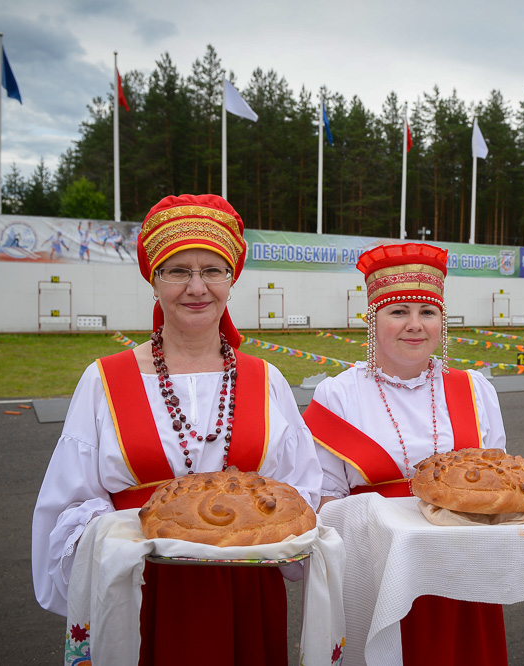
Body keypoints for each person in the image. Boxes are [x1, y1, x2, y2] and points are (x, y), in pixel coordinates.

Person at [31, 194, 322, 666]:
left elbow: (301, 489)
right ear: (154, 280)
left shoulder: (266, 379)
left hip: (246, 591)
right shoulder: (105, 379)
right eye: (177, 271)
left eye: (212, 270)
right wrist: (126, 534)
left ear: (231, 280)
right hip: (143, 592)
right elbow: (68, 500)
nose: (196, 287)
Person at [303, 242, 509, 665]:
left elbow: (497, 484)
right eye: (398, 312)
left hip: (462, 574)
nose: (415, 325)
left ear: (442, 322)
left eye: (427, 312)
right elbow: (324, 505)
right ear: (372, 320)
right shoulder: (338, 395)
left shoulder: (474, 389)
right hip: (378, 576)